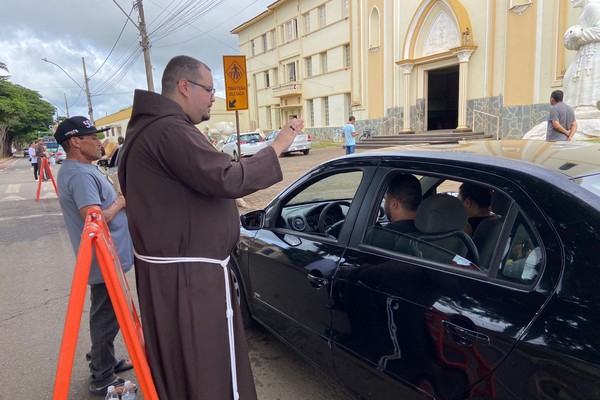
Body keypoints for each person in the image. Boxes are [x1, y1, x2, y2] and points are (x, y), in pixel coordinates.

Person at [117, 55, 300, 400]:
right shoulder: (170, 130)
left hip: (178, 275)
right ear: (185, 87)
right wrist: (276, 148)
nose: (213, 98)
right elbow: (226, 177)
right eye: (210, 89)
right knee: (204, 363)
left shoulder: (153, 129)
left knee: (188, 360)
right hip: (189, 280)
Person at [54, 116, 136, 397]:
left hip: (106, 258)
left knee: (105, 315)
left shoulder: (83, 168)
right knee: (106, 318)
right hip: (102, 260)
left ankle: (106, 360)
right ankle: (102, 376)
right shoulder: (78, 174)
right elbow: (94, 218)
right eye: (93, 137)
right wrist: (121, 201)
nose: (99, 141)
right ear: (76, 142)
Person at [365, 173, 422, 249]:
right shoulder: (431, 229)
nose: (384, 204)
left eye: (385, 199)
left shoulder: (383, 236)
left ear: (394, 204)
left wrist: (373, 225)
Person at [563, 0, 600, 108]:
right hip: (585, 55)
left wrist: (576, 38)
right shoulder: (587, 10)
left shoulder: (592, 7)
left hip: (592, 55)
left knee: (588, 86)